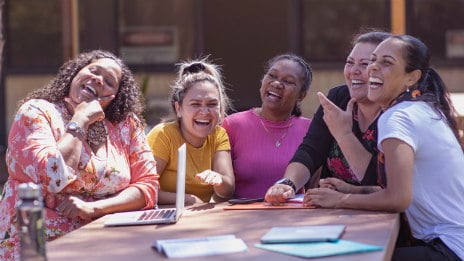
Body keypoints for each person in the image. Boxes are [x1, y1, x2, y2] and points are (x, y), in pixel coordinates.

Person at [303, 35, 464, 260]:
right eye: (374, 61)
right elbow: (403, 189)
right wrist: (352, 190)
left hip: (450, 248)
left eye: (386, 63)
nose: (373, 68)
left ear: (412, 78)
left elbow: (398, 198)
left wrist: (340, 200)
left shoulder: (398, 117)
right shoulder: (420, 109)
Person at [0, 50, 159, 260]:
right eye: (93, 70)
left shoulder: (126, 126)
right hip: (37, 244)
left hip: (104, 242)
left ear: (114, 96)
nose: (98, 79)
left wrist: (93, 208)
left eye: (109, 81)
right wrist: (80, 119)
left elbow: (147, 186)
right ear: (76, 73)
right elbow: (53, 178)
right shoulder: (37, 112)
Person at [265, 31, 391, 203]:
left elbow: (385, 184)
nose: (353, 71)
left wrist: (343, 134)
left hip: (384, 216)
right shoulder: (338, 97)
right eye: (349, 62)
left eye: (364, 64)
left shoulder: (396, 112)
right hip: (333, 211)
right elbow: (310, 150)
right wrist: (288, 183)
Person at [222, 54, 312, 198]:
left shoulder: (310, 130)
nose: (276, 84)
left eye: (288, 81)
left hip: (292, 216)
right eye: (272, 75)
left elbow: (314, 188)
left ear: (301, 95)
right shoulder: (232, 125)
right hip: (242, 216)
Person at [146, 58, 235, 205]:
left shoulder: (219, 135)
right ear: (178, 108)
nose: (205, 111)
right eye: (195, 104)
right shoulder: (163, 135)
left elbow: (228, 190)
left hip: (199, 218)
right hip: (162, 218)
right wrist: (188, 199)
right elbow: (144, 189)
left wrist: (219, 181)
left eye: (212, 104)